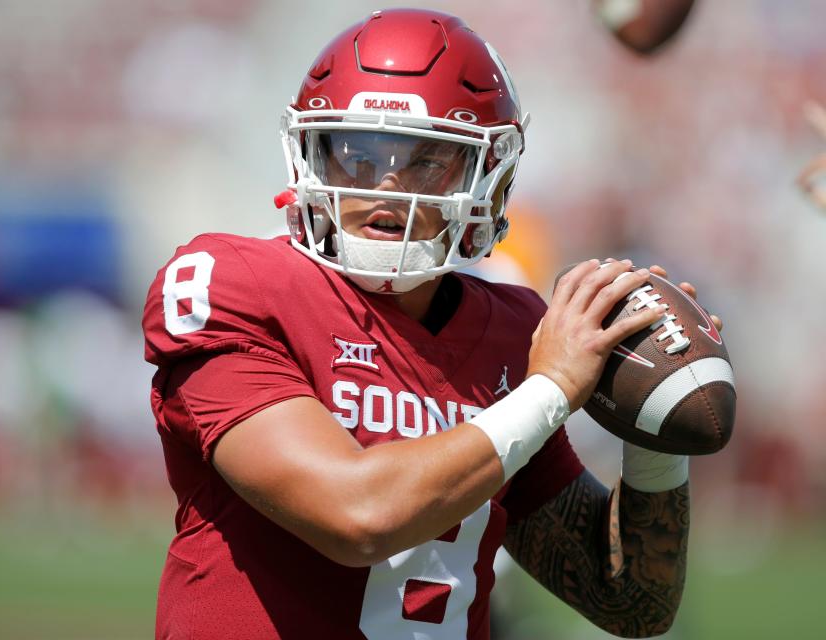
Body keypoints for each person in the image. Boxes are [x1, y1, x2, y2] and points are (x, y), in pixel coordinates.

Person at [142, 8, 718, 639]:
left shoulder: (508, 333)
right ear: (311, 155)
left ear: (489, 177)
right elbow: (355, 514)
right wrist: (549, 391)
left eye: (426, 160)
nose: (387, 185)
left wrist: (654, 411)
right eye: (357, 153)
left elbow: (632, 603)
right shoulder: (234, 285)